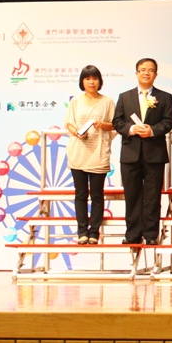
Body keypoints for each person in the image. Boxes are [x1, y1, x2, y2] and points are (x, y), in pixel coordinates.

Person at [112, 58, 172, 245]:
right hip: (130, 153)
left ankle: (150, 234)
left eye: (150, 70)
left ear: (156, 74)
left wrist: (152, 131)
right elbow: (117, 122)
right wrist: (132, 129)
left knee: (152, 196)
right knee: (132, 195)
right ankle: (132, 233)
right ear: (136, 73)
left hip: (154, 153)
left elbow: (169, 121)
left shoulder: (165, 97)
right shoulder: (125, 97)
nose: (146, 73)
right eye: (142, 70)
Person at [63, 65, 116, 245]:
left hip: (98, 153)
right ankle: (82, 232)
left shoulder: (107, 101)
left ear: (100, 81)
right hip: (78, 153)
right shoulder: (75, 101)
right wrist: (77, 132)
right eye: (87, 78)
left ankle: (94, 232)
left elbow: (115, 125)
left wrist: (103, 124)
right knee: (80, 194)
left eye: (94, 78)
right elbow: (69, 123)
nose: (91, 82)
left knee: (97, 195)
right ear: (82, 81)